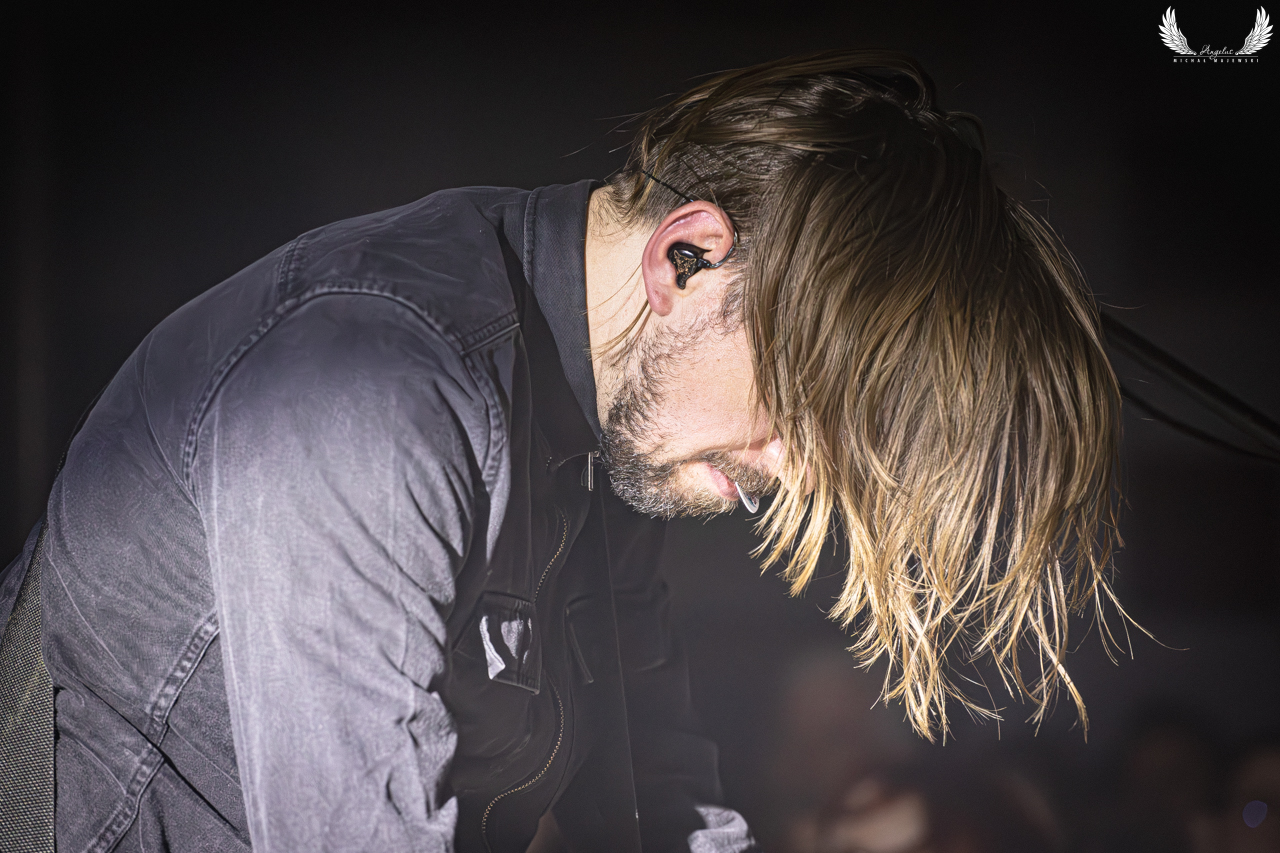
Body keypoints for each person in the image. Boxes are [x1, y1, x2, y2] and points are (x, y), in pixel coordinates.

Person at [0, 50, 1123, 852]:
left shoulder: (610, 439)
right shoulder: (362, 386)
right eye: (802, 408)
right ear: (688, 258)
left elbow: (663, 805)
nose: (794, 470)